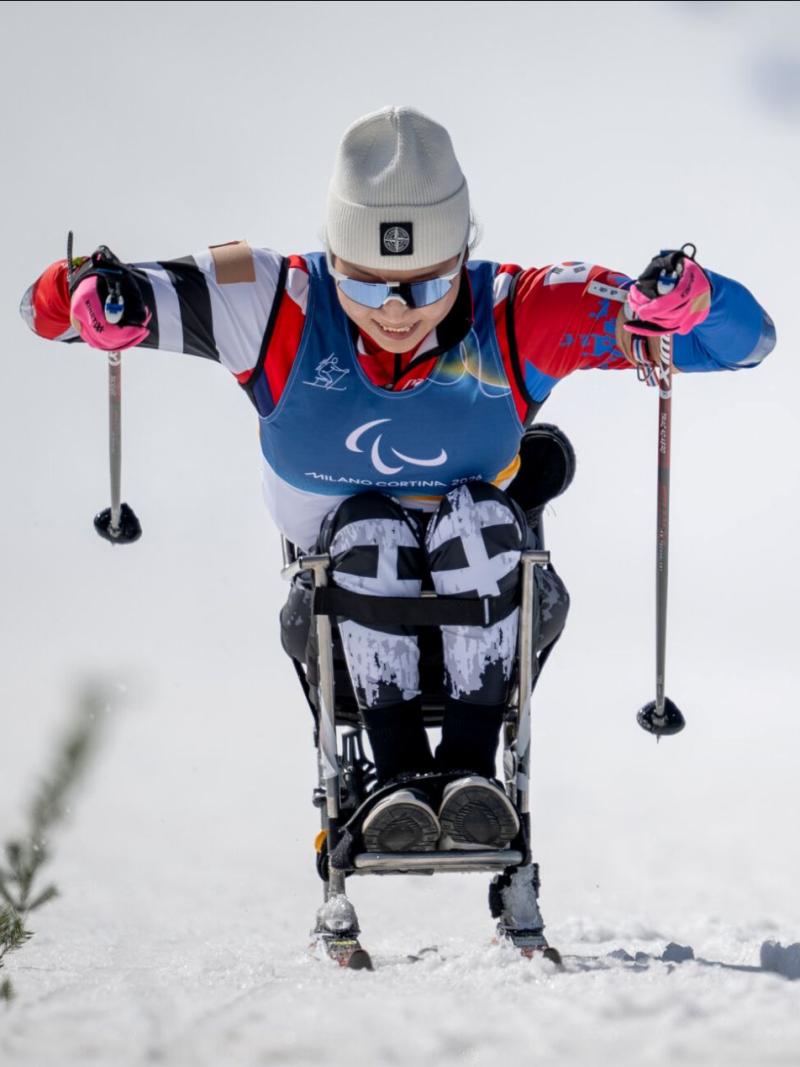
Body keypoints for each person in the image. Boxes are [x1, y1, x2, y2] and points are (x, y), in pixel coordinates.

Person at [20, 105, 777, 932]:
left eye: (424, 282)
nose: (393, 311)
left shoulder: (522, 309)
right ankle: (394, 780)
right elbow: (47, 310)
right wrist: (92, 294)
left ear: (463, 251)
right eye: (363, 282)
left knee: (475, 517)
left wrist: (689, 301)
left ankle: (466, 771)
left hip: (495, 609)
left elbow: (744, 342)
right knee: (368, 525)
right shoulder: (270, 300)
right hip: (339, 621)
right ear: (331, 255)